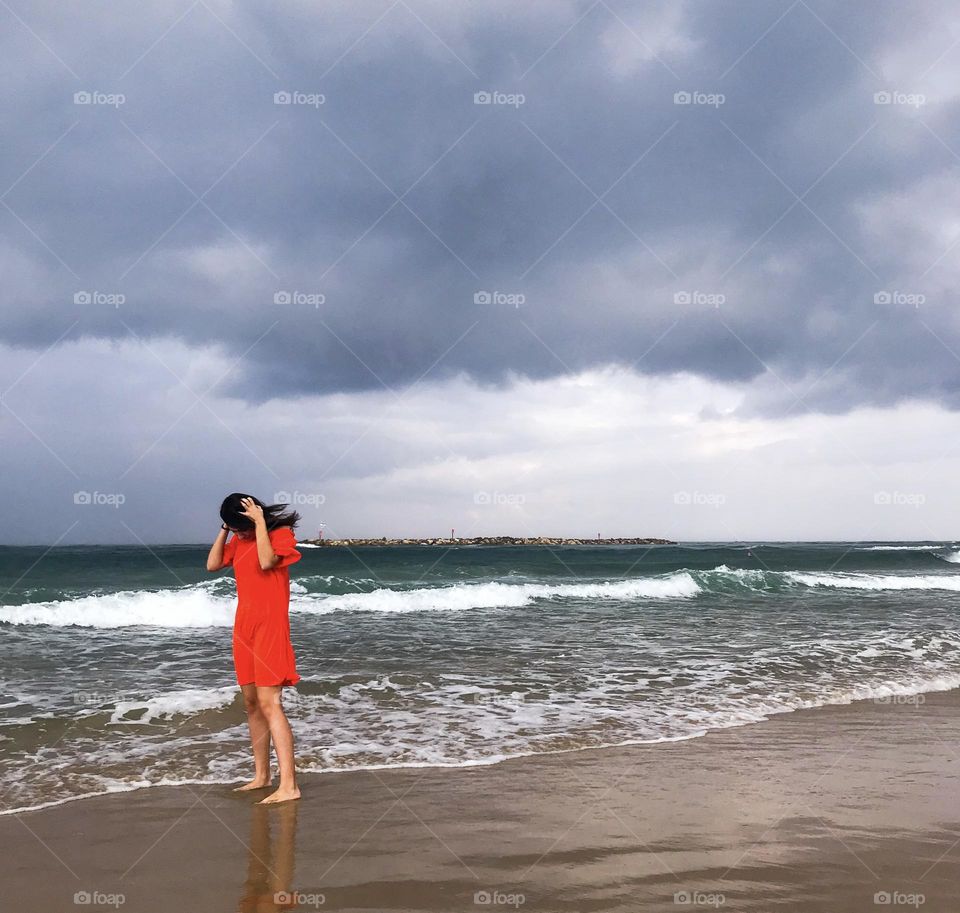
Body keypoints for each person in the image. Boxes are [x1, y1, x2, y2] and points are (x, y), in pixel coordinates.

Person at [207, 493, 302, 804]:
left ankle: (289, 786)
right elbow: (212, 565)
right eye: (235, 530)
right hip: (243, 627)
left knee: (270, 702)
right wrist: (226, 529)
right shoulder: (238, 540)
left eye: (241, 528)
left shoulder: (279, 534)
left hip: (270, 627)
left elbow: (266, 561)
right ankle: (262, 775)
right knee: (250, 703)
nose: (240, 534)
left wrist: (260, 522)